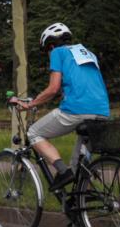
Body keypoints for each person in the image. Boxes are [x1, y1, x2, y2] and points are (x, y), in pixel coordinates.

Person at [11, 23, 110, 191]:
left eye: (46, 52)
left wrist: (30, 104)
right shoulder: (89, 54)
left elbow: (53, 89)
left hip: (76, 111)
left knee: (33, 132)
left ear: (50, 45)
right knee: (79, 168)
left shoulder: (58, 52)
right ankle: (81, 206)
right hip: (102, 112)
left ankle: (63, 173)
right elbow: (84, 85)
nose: (48, 56)